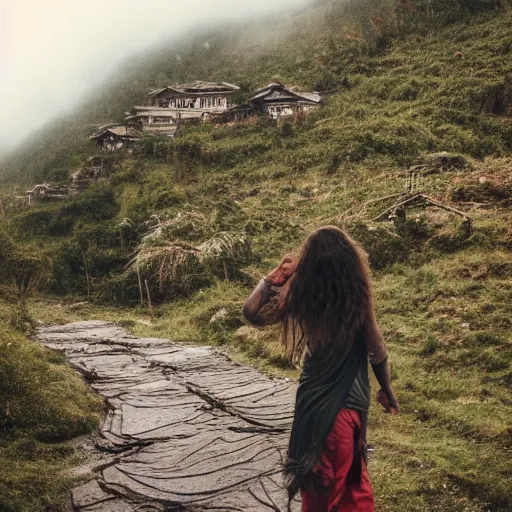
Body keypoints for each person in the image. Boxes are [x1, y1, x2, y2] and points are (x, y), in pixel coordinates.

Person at [242, 226, 399, 512]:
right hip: (343, 417)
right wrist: (387, 391)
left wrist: (269, 281)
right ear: (351, 265)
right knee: (352, 495)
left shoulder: (302, 299)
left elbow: (251, 312)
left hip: (310, 414)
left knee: (316, 493)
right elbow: (378, 350)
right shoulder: (358, 302)